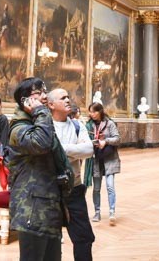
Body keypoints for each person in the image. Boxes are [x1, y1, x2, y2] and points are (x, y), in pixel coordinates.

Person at [8, 76, 71, 261]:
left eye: (45, 91)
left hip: (48, 208)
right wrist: (41, 112)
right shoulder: (18, 129)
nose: (45, 96)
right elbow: (41, 143)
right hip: (32, 211)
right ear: (25, 101)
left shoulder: (39, 123)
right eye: (39, 93)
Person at [50, 90, 95, 261]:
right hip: (50, 192)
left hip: (74, 190)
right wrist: (75, 150)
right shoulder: (45, 127)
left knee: (84, 237)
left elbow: (89, 149)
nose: (68, 100)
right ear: (51, 104)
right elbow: (46, 153)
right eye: (63, 98)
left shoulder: (77, 125)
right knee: (51, 239)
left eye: (68, 97)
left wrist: (62, 149)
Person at [85, 101, 120, 225]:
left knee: (110, 186)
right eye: (90, 111)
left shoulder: (109, 123)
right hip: (96, 159)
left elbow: (117, 138)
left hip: (109, 158)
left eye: (94, 111)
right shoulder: (89, 125)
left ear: (100, 111)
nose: (91, 114)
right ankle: (97, 212)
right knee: (96, 188)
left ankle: (112, 212)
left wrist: (106, 141)